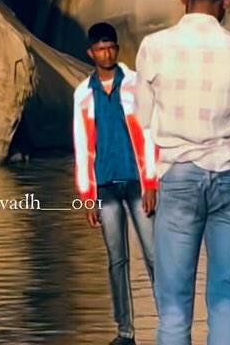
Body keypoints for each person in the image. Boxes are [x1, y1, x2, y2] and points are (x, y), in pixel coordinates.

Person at [136, 0, 230, 345]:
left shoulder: (154, 47)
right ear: (227, 1)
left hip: (179, 178)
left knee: (173, 305)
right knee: (225, 299)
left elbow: (143, 118)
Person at [74, 22, 157, 345]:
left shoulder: (136, 85)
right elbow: (81, 145)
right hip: (105, 186)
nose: (106, 53)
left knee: (153, 256)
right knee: (116, 260)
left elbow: (150, 134)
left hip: (138, 182)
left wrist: (152, 182)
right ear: (91, 53)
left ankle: (171, 324)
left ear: (117, 50)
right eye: (100, 48)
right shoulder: (82, 94)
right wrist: (86, 194)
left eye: (111, 47)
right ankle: (125, 333)